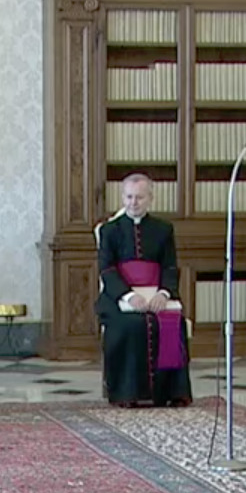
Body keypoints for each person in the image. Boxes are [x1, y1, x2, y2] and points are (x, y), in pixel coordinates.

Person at [96, 173, 192, 407]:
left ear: (150, 198)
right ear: (122, 197)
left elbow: (170, 266)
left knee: (173, 323)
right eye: (129, 197)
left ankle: (172, 392)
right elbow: (106, 269)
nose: (133, 202)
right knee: (130, 325)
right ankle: (126, 393)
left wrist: (164, 293)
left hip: (155, 294)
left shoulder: (163, 229)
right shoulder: (109, 230)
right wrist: (129, 296)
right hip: (118, 297)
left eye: (139, 197)